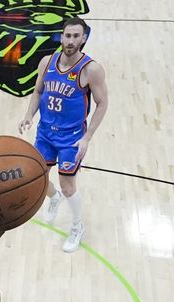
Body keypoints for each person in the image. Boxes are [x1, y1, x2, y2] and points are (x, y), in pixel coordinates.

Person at [18, 16, 109, 252]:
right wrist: (29, 115)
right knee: (36, 177)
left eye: (76, 36)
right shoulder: (47, 62)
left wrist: (87, 139)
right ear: (61, 36)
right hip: (45, 133)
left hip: (71, 138)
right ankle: (53, 198)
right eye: (67, 35)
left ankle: (77, 226)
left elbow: (102, 103)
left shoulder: (91, 69)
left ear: (83, 38)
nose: (70, 41)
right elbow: (38, 91)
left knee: (68, 186)